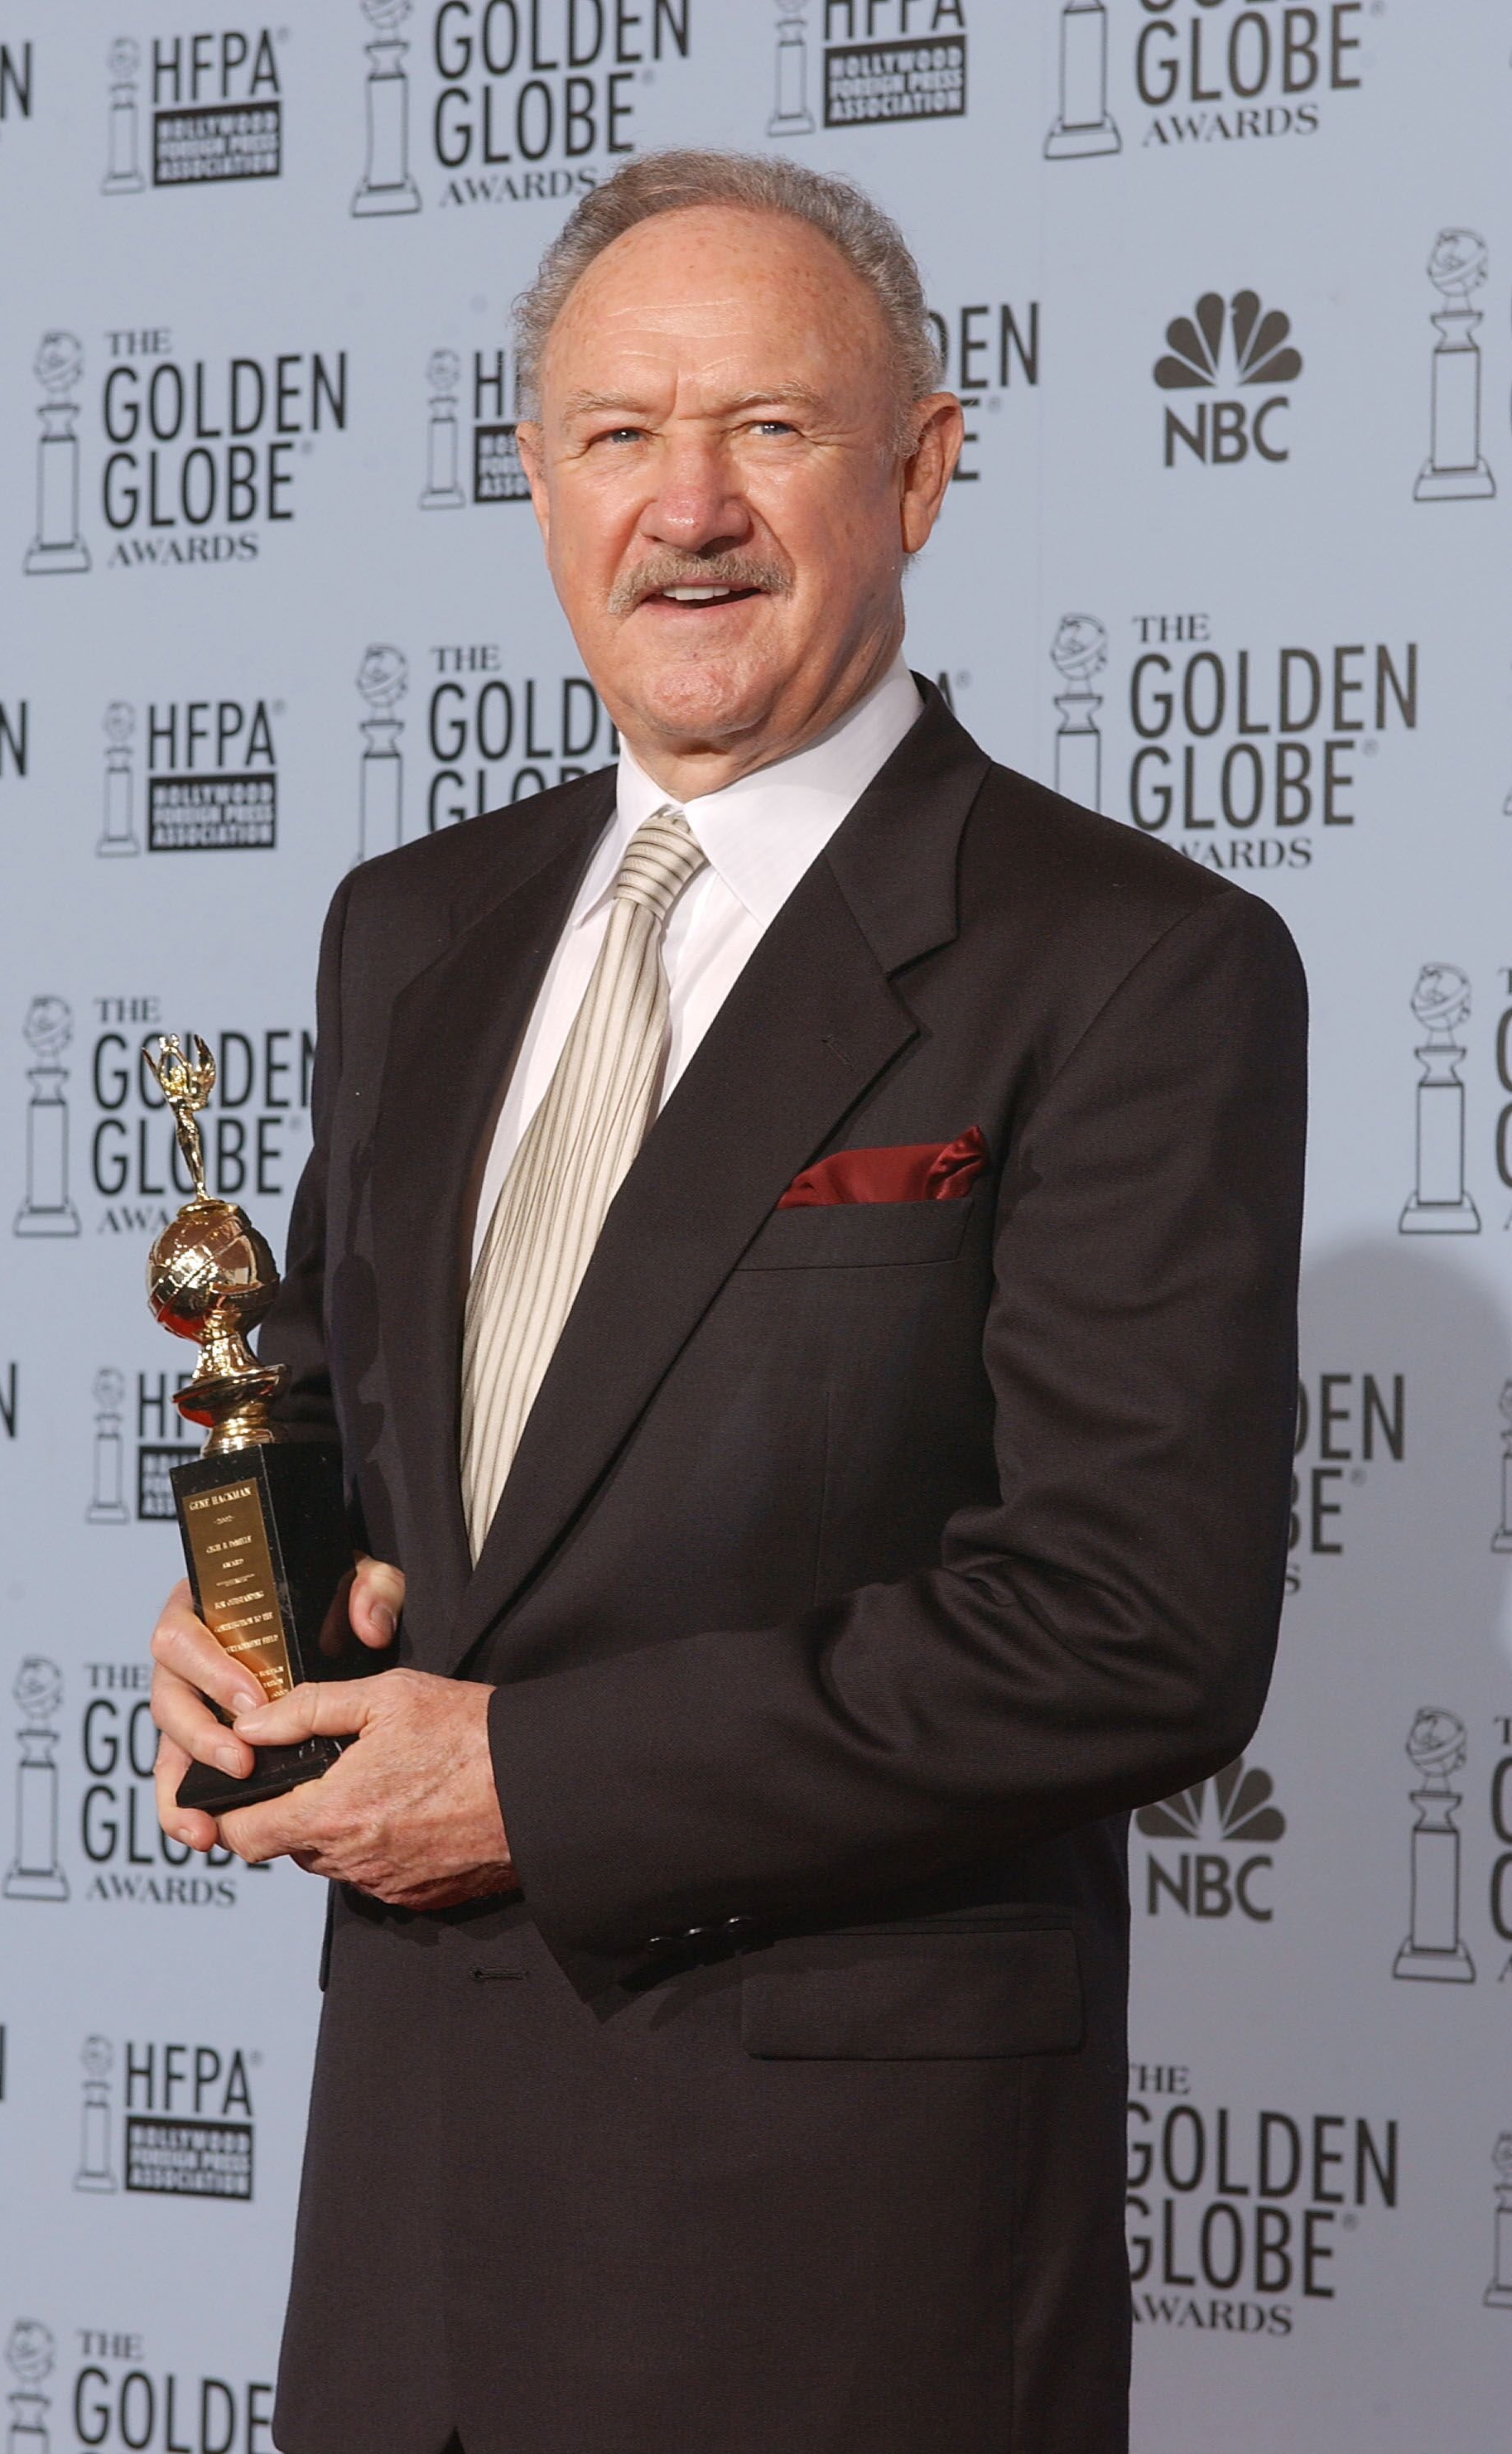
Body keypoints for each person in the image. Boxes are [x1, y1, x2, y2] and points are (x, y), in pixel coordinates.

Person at [148, 150, 1307, 2454]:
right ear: (536, 476)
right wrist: (254, 1646)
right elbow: (389, 1475)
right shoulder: (413, 929)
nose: (687, 507)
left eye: (769, 430)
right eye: (615, 435)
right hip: (412, 2266)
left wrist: (526, 1780)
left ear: (923, 468)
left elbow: (1132, 1625)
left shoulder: (1133, 963)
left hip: (832, 2287)